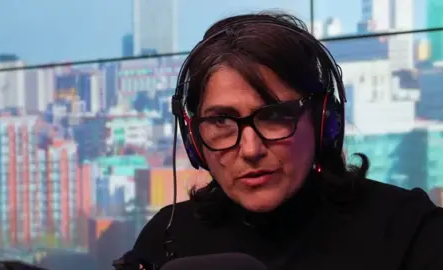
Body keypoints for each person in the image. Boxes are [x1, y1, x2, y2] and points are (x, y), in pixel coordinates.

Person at [115, 11, 443, 270]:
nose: (251, 150)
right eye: (221, 121)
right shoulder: (166, 238)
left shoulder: (409, 230)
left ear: (323, 121)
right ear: (193, 139)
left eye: (274, 116)